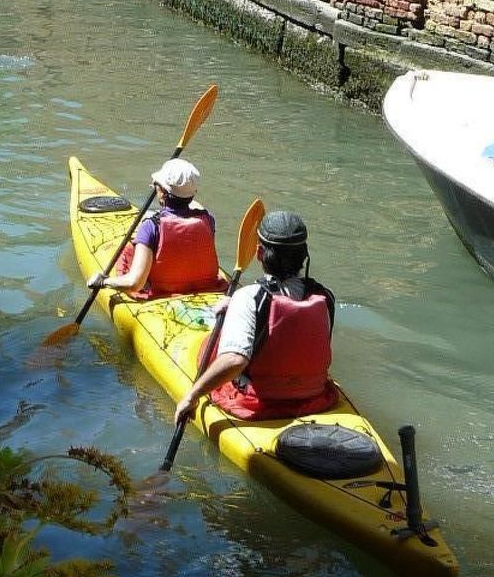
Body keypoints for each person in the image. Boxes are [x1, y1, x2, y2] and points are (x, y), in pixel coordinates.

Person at [174, 210, 338, 425]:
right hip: (315, 395)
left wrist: (191, 396)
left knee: (208, 348)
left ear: (259, 253)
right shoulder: (325, 297)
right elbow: (291, 328)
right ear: (303, 255)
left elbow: (235, 360)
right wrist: (235, 307)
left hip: (259, 401)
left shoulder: (249, 297)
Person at [87, 159, 220, 300]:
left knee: (128, 252)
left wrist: (103, 281)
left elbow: (134, 283)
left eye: (156, 185)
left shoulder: (151, 226)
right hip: (206, 288)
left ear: (162, 192)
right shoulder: (208, 220)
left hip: (162, 293)